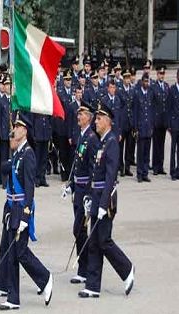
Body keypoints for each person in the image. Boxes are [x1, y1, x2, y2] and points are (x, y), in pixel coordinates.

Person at [0, 114, 53, 310]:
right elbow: (5, 170)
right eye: (14, 126)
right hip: (11, 208)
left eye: (17, 126)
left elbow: (29, 188)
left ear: (25, 130)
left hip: (20, 209)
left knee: (20, 252)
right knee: (13, 252)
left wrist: (26, 215)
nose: (14, 129)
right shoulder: (17, 152)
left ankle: (45, 278)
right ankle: (13, 298)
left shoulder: (28, 154)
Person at [78, 102, 135, 298]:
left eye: (100, 118)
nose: (96, 121)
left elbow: (111, 176)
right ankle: (93, 286)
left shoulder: (111, 143)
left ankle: (127, 269)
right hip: (96, 197)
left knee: (104, 240)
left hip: (106, 200)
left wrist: (102, 204)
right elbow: (95, 174)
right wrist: (88, 197)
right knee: (94, 241)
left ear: (108, 121)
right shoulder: (102, 141)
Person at [64, 102, 100, 284]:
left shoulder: (92, 139)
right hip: (77, 189)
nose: (79, 116)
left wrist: (89, 194)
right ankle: (83, 268)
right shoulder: (81, 136)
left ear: (90, 117)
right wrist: (70, 184)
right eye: (78, 114)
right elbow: (77, 164)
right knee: (79, 229)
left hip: (85, 190)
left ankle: (85, 268)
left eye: (82, 114)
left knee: (79, 229)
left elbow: (94, 169)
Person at [133, 73, 154, 183]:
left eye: (148, 81)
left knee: (147, 151)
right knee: (140, 152)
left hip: (148, 127)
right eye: (145, 81)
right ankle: (139, 174)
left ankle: (145, 173)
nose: (146, 83)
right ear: (141, 82)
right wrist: (136, 128)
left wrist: (152, 125)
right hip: (141, 127)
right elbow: (135, 112)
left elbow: (151, 111)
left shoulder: (150, 92)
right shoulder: (137, 93)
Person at [151, 65, 169, 175]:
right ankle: (155, 167)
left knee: (162, 144)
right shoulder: (153, 87)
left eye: (163, 74)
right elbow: (152, 105)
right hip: (156, 120)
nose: (162, 75)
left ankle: (161, 166)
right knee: (156, 144)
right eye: (160, 74)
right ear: (157, 74)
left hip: (164, 120)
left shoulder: (166, 86)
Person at [167, 67, 179, 180]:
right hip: (174, 124)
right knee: (173, 149)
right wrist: (169, 125)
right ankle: (172, 172)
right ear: (177, 76)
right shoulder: (172, 90)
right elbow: (169, 108)